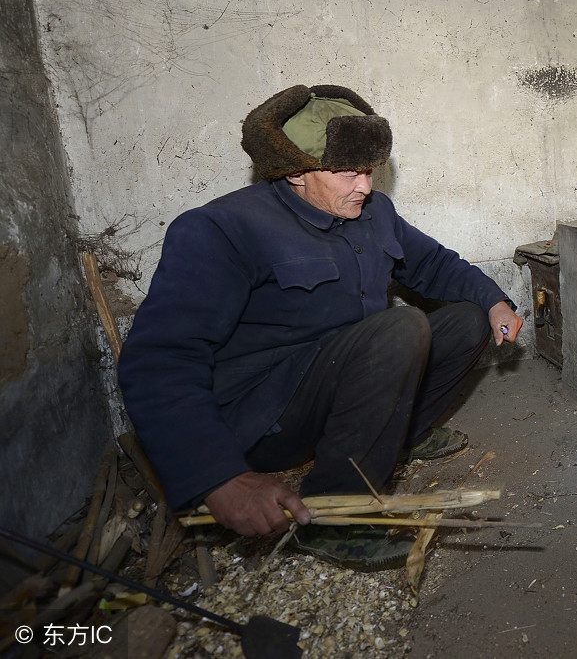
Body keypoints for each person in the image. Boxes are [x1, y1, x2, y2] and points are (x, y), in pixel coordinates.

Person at [117, 84, 523, 569]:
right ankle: (334, 521)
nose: (366, 187)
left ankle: (399, 435)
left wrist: (496, 301)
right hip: (269, 416)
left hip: (355, 387)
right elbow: (160, 358)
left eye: (370, 171)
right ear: (294, 172)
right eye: (349, 172)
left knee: (467, 318)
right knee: (401, 328)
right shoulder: (220, 230)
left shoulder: (374, 213)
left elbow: (434, 264)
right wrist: (218, 477)